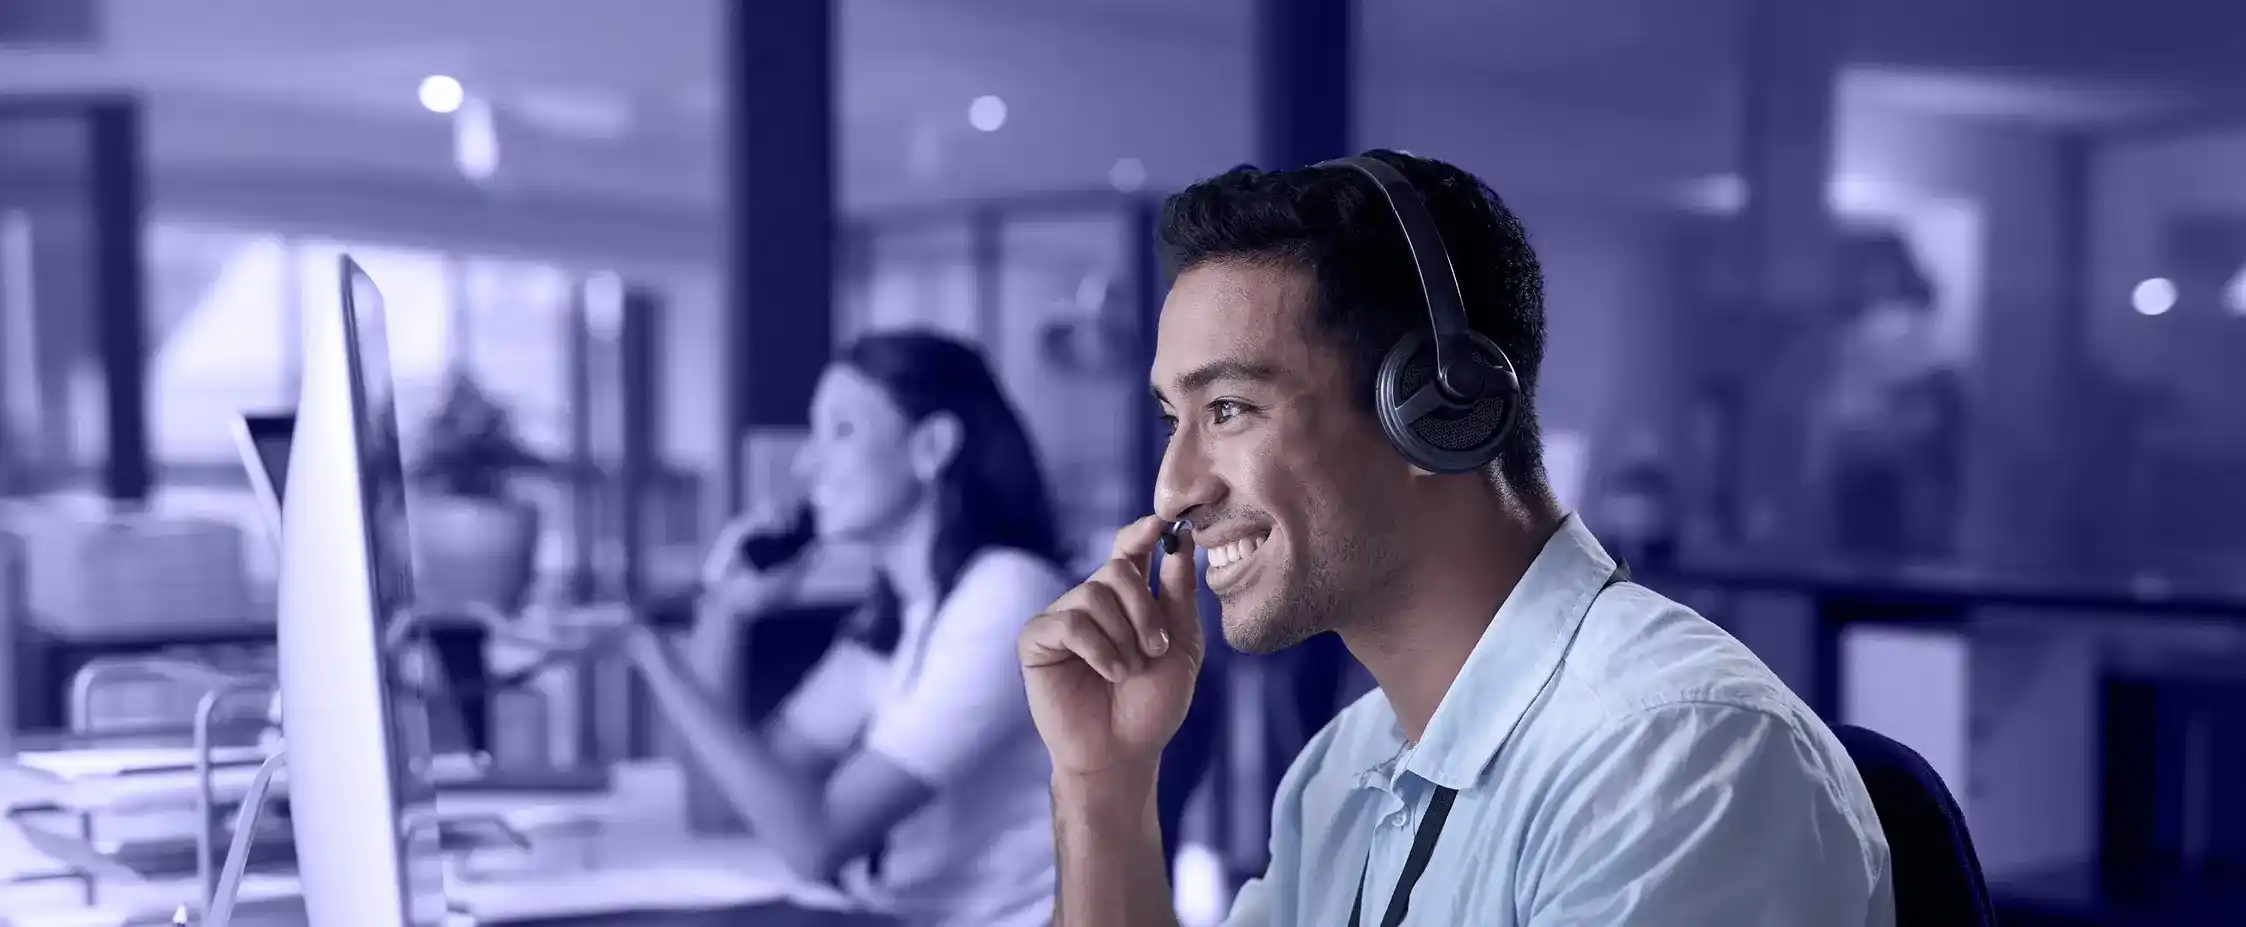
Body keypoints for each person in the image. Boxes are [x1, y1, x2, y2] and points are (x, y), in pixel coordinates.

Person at [1017, 151, 1895, 926]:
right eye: (1175, 417)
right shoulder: (1342, 768)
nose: (1173, 486)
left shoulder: (1673, 757)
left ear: (1438, 411)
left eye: (1230, 409)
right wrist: (1105, 788)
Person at [622, 331, 1073, 927]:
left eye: (841, 431)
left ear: (931, 446)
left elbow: (815, 842)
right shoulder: (899, 614)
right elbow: (721, 808)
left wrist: (646, 649)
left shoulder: (1007, 597)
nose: (806, 465)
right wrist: (726, 610)